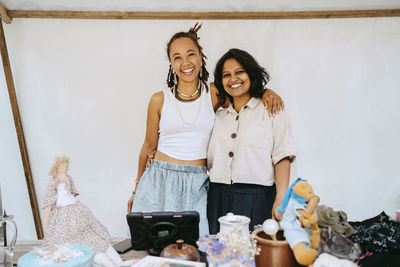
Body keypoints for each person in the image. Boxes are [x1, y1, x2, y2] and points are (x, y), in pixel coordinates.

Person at [127, 24, 284, 236]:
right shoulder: (159, 99)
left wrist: (267, 92)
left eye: (191, 54)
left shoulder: (214, 93)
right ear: (172, 64)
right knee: (150, 243)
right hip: (158, 180)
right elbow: (148, 145)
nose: (186, 62)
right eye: (177, 57)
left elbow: (242, 89)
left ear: (201, 56)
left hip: (197, 182)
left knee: (197, 244)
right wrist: (136, 188)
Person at [207, 48, 296, 234]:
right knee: (219, 256)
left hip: (258, 198)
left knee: (255, 256)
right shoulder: (217, 115)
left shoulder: (272, 110)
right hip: (218, 197)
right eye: (226, 75)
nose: (233, 79)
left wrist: (281, 197)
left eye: (240, 72)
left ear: (251, 73)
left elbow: (282, 156)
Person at [43, 156, 130, 266]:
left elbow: (74, 193)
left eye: (66, 166)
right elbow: (48, 202)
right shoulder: (53, 181)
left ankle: (118, 263)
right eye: (63, 166)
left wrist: (73, 196)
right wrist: (46, 228)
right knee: (72, 241)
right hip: (63, 215)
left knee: (93, 235)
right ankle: (107, 262)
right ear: (57, 167)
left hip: (75, 209)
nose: (65, 168)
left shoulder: (68, 178)